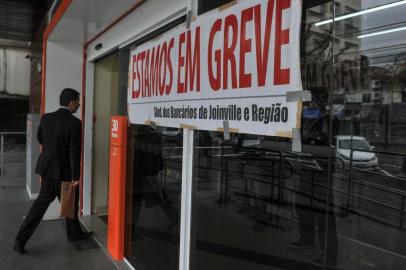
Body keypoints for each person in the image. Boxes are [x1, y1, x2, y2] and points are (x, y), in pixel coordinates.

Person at [13, 88, 92, 254]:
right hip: (64, 173)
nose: (79, 105)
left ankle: (20, 241)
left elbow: (40, 138)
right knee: (70, 204)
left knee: (40, 207)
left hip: (47, 170)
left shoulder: (47, 118)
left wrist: (51, 148)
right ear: (71, 103)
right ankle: (74, 233)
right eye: (78, 101)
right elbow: (74, 151)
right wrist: (75, 176)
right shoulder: (75, 123)